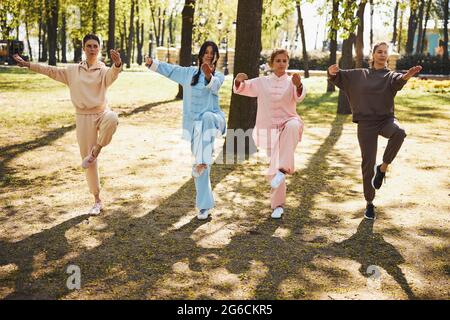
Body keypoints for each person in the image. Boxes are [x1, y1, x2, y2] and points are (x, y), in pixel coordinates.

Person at [13, 34, 123, 215]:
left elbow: (112, 75)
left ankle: (96, 150)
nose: (92, 49)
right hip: (83, 117)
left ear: (100, 48)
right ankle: (97, 200)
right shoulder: (72, 71)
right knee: (88, 162)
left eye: (95, 46)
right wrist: (27, 64)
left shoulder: (103, 70)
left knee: (113, 118)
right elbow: (50, 70)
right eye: (89, 46)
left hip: (102, 112)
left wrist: (117, 64)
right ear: (83, 48)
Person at [327, 41, 422, 220]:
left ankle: (383, 168)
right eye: (379, 51)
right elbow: (339, 77)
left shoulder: (390, 76)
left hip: (386, 120)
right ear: (373, 55)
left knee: (399, 132)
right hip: (366, 123)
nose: (383, 55)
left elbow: (397, 81)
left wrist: (407, 76)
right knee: (367, 163)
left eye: (385, 52)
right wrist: (331, 72)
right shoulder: (359, 74)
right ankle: (369, 203)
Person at [145, 41, 226, 220]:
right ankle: (204, 206)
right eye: (206, 52)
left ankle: (202, 162)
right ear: (201, 54)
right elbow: (172, 71)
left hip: (213, 121)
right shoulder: (189, 73)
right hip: (194, 127)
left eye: (213, 53)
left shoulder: (219, 76)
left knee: (206, 118)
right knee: (201, 164)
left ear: (216, 56)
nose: (209, 55)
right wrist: (153, 64)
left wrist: (208, 76)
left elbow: (215, 87)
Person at [233, 49, 306, 219]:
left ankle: (282, 173)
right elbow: (243, 88)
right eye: (278, 60)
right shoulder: (262, 81)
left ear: (288, 63)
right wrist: (238, 80)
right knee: (275, 166)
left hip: (287, 126)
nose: (281, 64)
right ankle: (277, 206)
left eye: (284, 61)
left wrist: (299, 85)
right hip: (268, 130)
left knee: (294, 125)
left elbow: (300, 96)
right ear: (272, 63)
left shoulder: (292, 81)